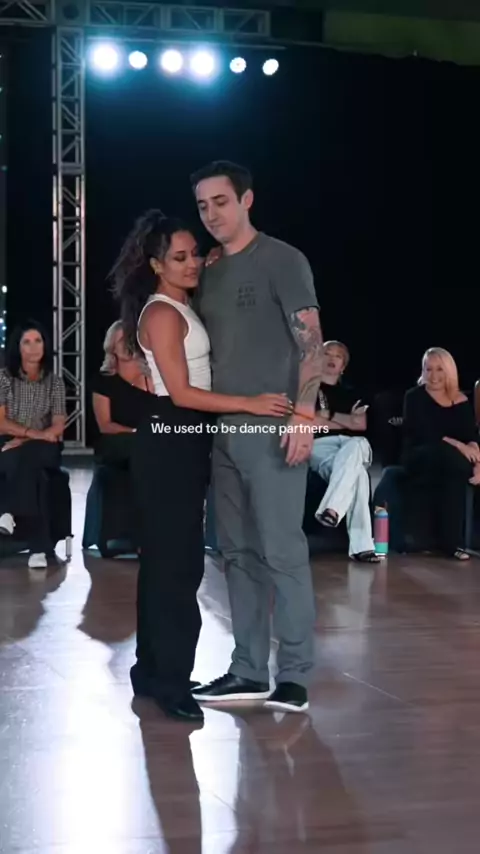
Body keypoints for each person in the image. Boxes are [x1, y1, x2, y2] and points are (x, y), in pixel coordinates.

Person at [112, 209, 292, 723]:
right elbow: (183, 393)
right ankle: (170, 681)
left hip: (180, 438)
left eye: (194, 254)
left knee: (165, 563)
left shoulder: (177, 303)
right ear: (156, 264)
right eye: (180, 257)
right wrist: (250, 403)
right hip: (172, 435)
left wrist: (212, 260)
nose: (192, 264)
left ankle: (152, 672)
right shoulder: (163, 314)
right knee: (178, 565)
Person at [190, 160, 323, 714]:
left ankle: (294, 675)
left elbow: (312, 340)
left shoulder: (283, 259)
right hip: (223, 432)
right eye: (202, 205)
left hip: (274, 427)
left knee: (281, 551)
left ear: (247, 200)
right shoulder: (210, 271)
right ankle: (247, 669)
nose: (211, 214)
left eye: (221, 201)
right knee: (237, 554)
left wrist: (305, 414)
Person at [401, 347, 480, 560]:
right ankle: (452, 544)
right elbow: (426, 433)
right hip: (419, 454)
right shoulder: (414, 396)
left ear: (449, 371)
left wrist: (478, 463)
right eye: (428, 369)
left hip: (452, 461)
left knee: (454, 471)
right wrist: (461, 447)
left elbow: (471, 436)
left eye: (439, 369)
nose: (433, 375)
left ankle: (452, 544)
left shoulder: (462, 400)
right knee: (451, 458)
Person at [0, 319, 66, 568]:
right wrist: (31, 434)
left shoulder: (55, 381)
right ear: (17, 347)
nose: (33, 347)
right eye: (26, 342)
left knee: (24, 456)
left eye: (38, 341)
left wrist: (28, 438)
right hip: (13, 442)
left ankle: (8, 511)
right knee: (33, 474)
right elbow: (1, 422)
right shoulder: (4, 379)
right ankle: (39, 548)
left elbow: (58, 424)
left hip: (43, 446)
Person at [309, 340, 379, 563]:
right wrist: (346, 419)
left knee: (357, 443)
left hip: (353, 444)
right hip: (320, 445)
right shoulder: (307, 389)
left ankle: (332, 508)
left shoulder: (353, 393)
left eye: (337, 356)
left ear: (343, 366)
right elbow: (310, 422)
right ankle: (362, 547)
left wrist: (327, 416)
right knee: (358, 475)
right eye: (327, 354)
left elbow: (360, 425)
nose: (332, 358)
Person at [90, 320, 155, 464]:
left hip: (152, 440)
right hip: (118, 444)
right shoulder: (103, 381)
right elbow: (105, 425)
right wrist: (137, 433)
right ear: (112, 347)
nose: (128, 344)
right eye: (122, 340)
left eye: (131, 339)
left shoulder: (153, 378)